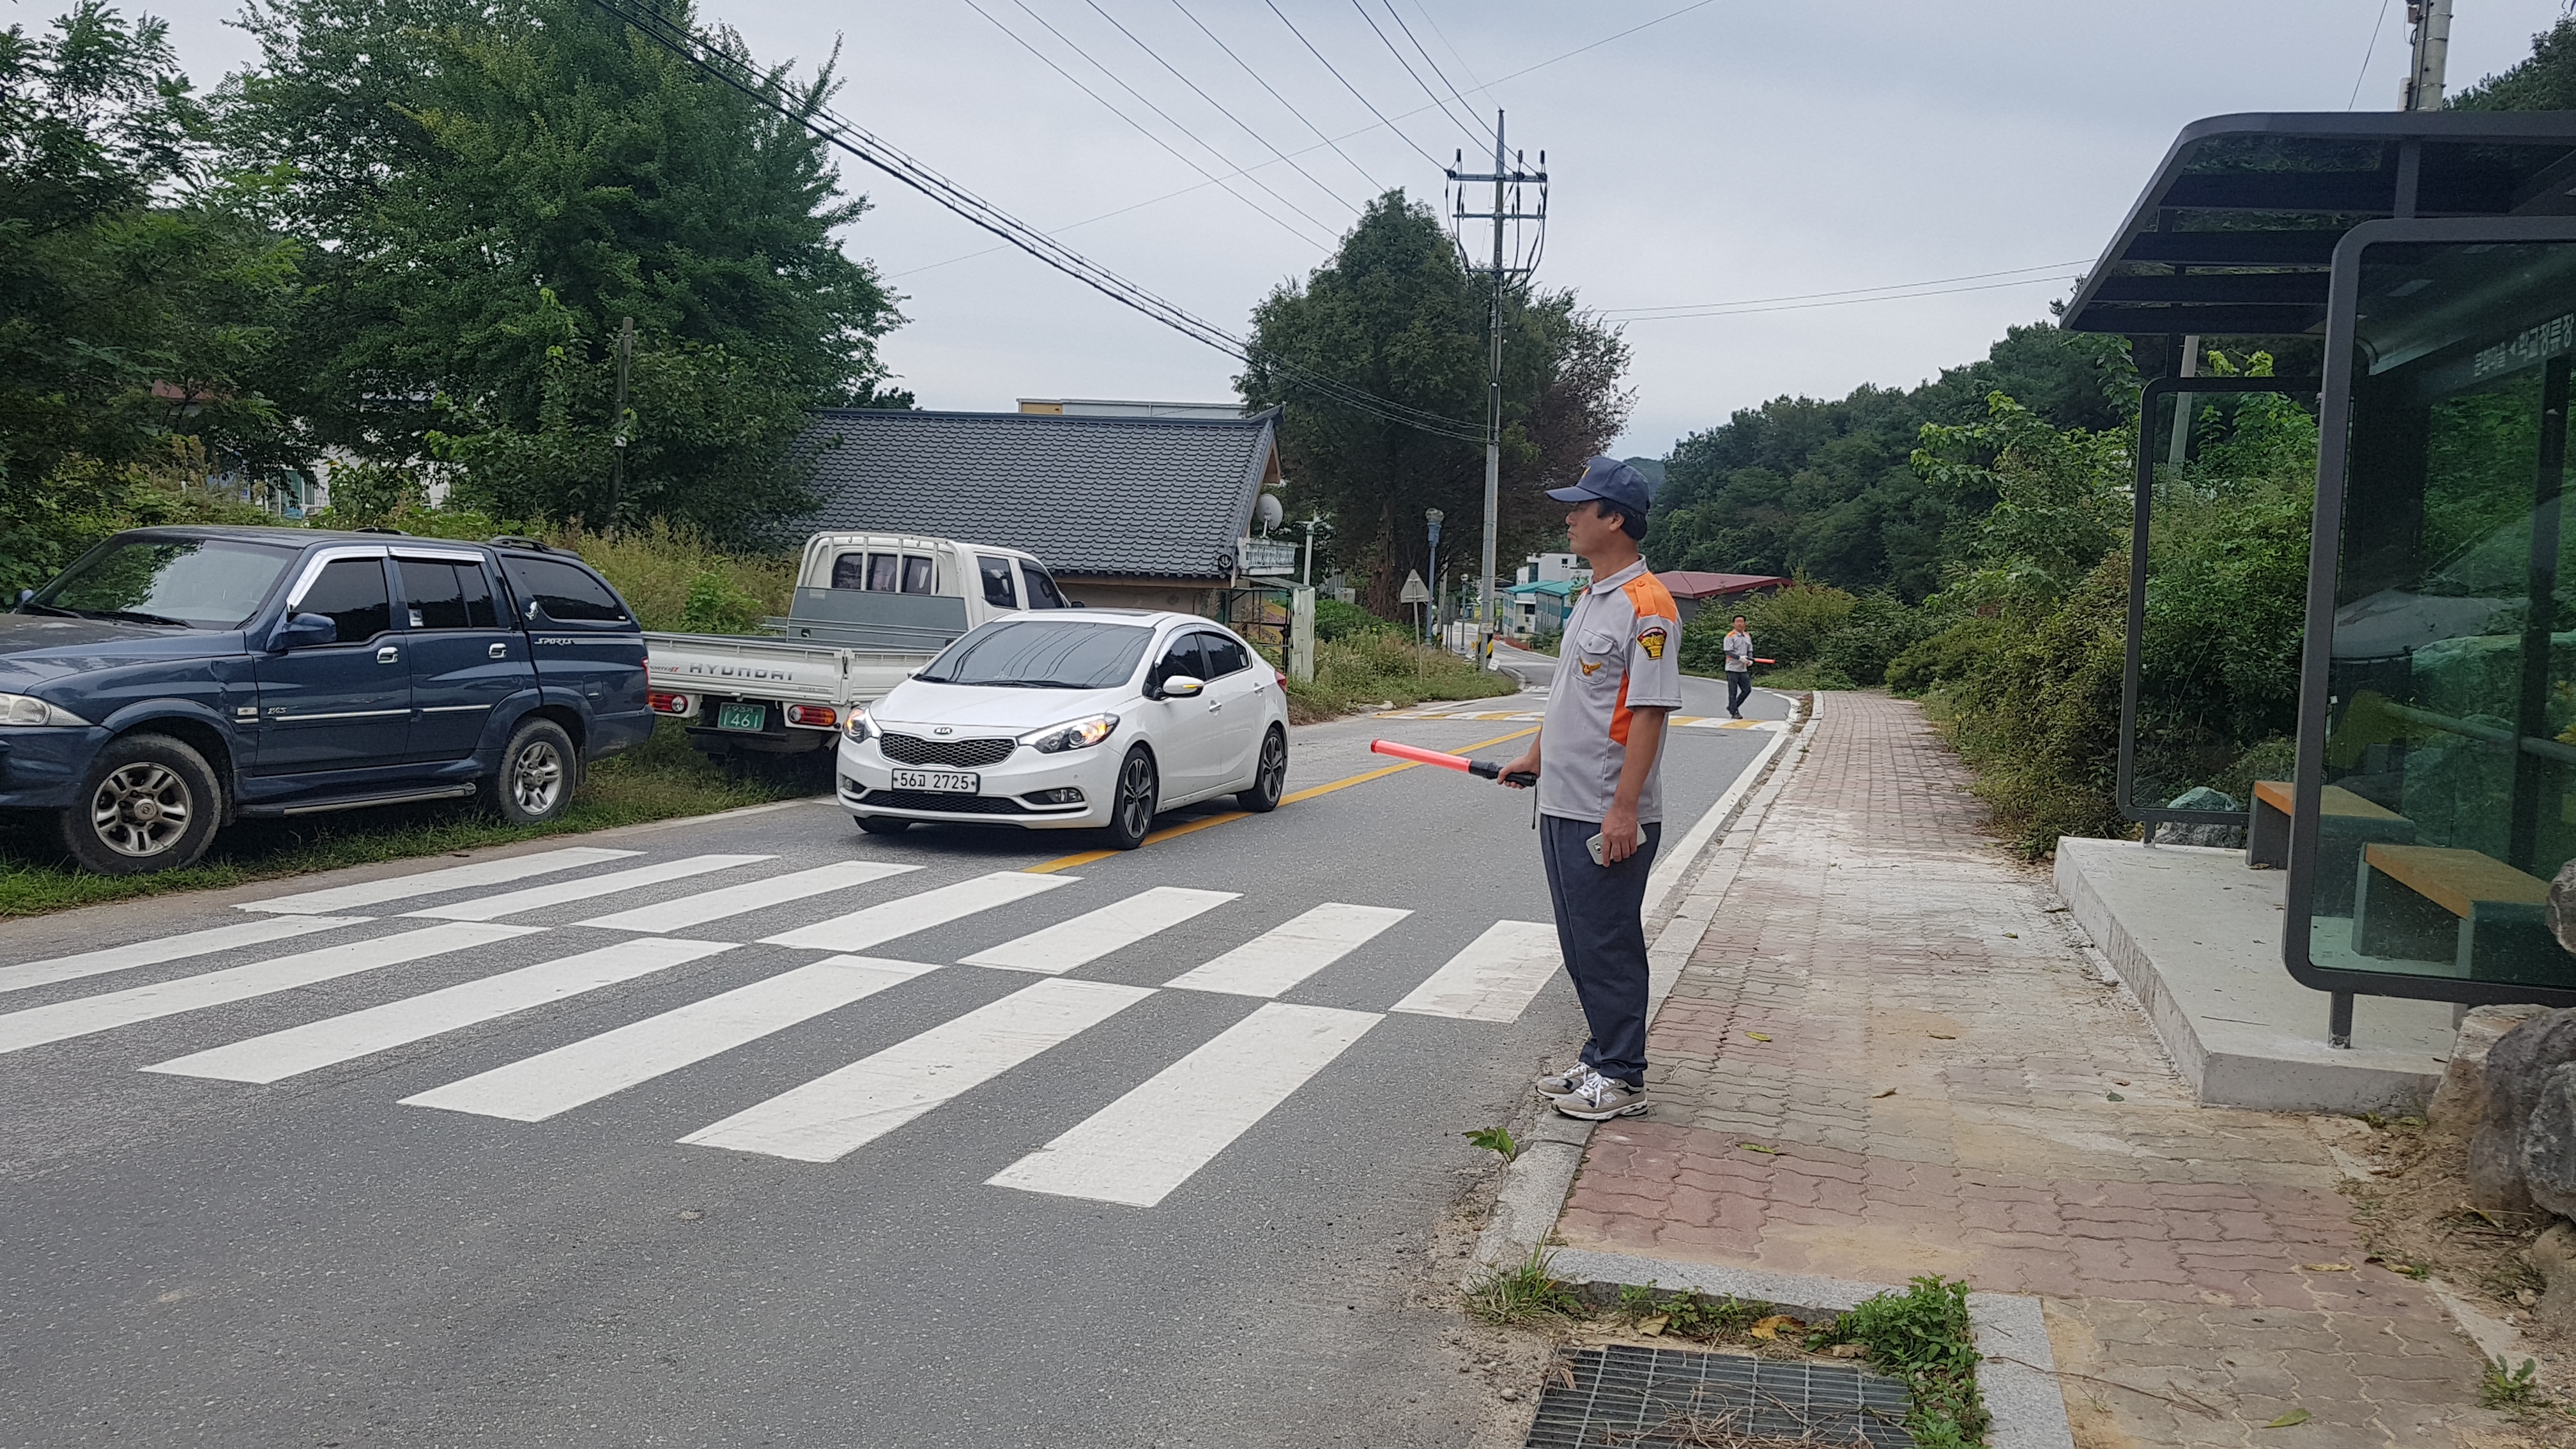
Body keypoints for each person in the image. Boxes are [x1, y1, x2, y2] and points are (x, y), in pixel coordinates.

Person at [1494, 456, 1680, 1121]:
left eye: (1581, 508)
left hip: (1607, 812)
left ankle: (1624, 1078)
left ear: (1616, 520)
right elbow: (1572, 700)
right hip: (1563, 801)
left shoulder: (1648, 607)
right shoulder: (1591, 597)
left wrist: (1625, 810)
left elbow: (1649, 714)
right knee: (1580, 943)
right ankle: (1601, 1056)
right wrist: (1536, 757)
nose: (1569, 518)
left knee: (1609, 944)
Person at [1722, 615, 1754, 718]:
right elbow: (1728, 651)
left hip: (1743, 668)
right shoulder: (1730, 636)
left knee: (1747, 689)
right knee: (1733, 691)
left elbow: (1750, 650)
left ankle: (1733, 707)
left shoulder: (1747, 636)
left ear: (1745, 624)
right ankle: (1734, 712)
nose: (1740, 624)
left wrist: (1750, 659)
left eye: (1742, 622)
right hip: (1732, 668)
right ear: (1733, 624)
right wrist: (1740, 658)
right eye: (1737, 622)